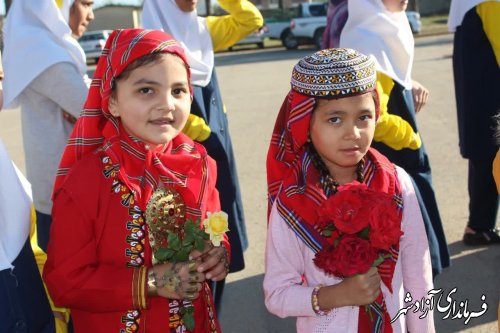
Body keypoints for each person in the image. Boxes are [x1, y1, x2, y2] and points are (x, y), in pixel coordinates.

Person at [43, 29, 230, 333]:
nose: (167, 104)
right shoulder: (87, 180)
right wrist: (151, 282)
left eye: (179, 91)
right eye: (146, 90)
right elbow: (63, 282)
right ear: (112, 101)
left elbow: (216, 231)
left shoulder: (201, 164)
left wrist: (217, 255)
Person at [264, 48, 435, 332]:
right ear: (304, 124)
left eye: (364, 117)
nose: (352, 133)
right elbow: (277, 294)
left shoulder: (397, 184)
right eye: (335, 119)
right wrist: (335, 296)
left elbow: (419, 278)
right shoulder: (292, 201)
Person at [141, 0, 263, 309]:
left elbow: (251, 20)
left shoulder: (201, 30)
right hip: (183, 156)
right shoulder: (146, 40)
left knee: (219, 238)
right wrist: (200, 131)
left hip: (215, 148)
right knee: (192, 246)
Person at [324, 0, 449, 275]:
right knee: (405, 257)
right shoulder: (367, 38)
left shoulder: (378, 26)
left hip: (394, 155)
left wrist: (409, 82)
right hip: (390, 157)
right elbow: (372, 118)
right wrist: (410, 137)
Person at [2, 0, 94, 252]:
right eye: (86, 4)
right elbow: (98, 111)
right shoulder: (48, 59)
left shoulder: (39, 50)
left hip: (55, 189)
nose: (91, 15)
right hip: (68, 194)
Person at [448, 0, 500, 245]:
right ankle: (478, 226)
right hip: (490, 92)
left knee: (484, 154)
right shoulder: (489, 2)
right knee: (489, 155)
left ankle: (478, 225)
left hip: (480, 92)